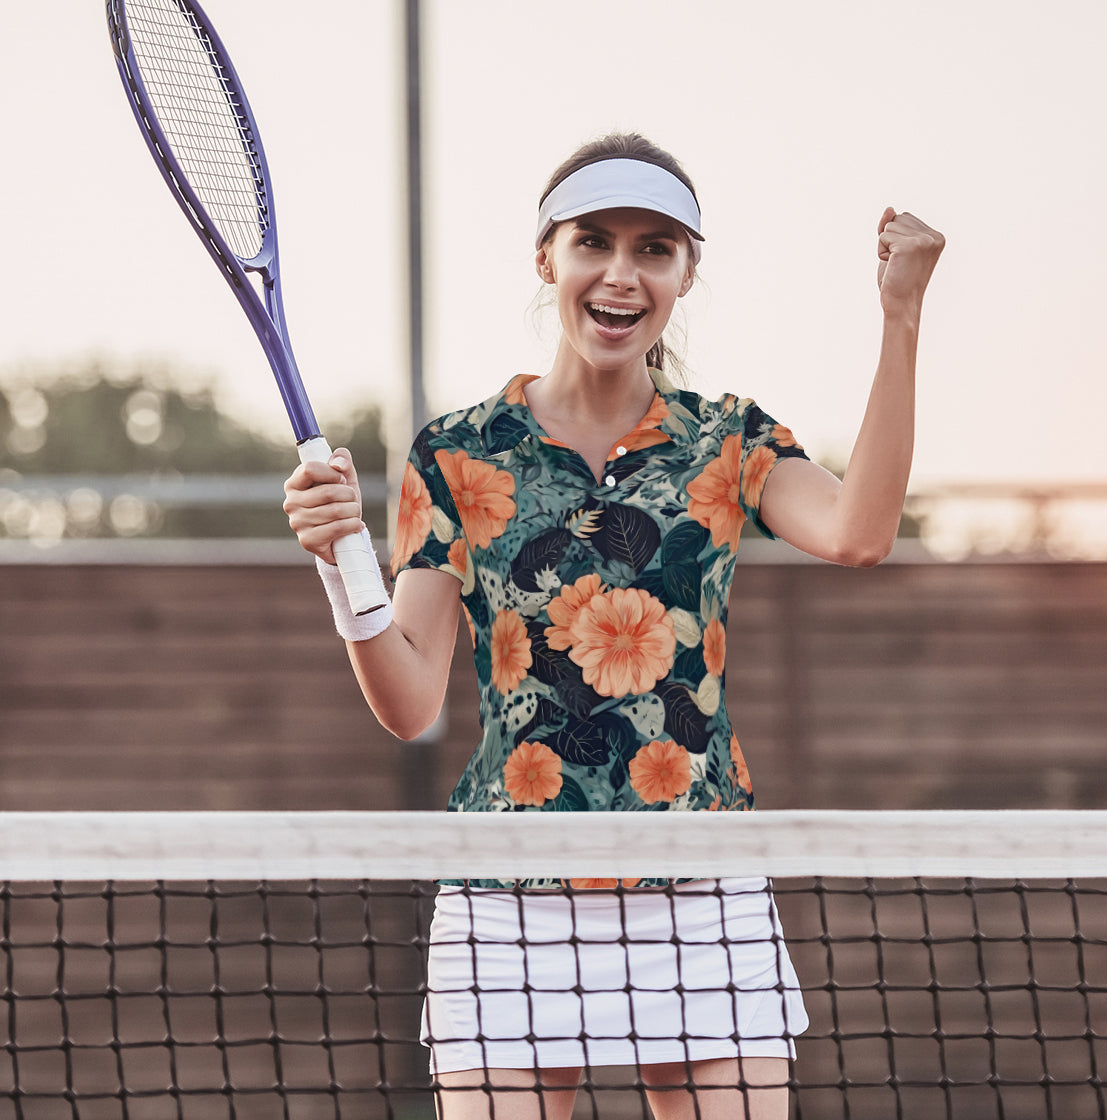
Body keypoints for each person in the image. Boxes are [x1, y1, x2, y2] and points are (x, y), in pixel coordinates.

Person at [284, 132, 944, 1119]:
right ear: (546, 257)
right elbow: (410, 703)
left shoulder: (730, 441)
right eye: (594, 241)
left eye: (654, 249)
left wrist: (901, 315)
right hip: (508, 898)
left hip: (700, 890)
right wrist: (344, 573)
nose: (621, 273)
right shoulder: (456, 455)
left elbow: (859, 534)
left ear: (686, 273)